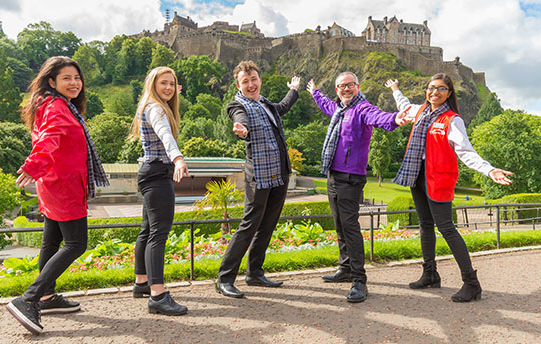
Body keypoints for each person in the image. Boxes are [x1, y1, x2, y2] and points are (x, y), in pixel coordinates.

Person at [386, 75, 512, 302]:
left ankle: (471, 283)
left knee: (446, 228)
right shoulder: (420, 111)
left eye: (441, 89)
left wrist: (489, 169)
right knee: (425, 225)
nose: (435, 92)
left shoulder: (452, 120)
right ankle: (430, 274)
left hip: (439, 178)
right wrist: (395, 89)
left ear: (449, 93)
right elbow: (404, 106)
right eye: (431, 88)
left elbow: (466, 152)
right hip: (417, 174)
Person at [7, 56, 109, 335]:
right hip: (63, 184)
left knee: (51, 242)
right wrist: (33, 164)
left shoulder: (52, 104)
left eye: (77, 78)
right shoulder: (56, 107)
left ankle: (46, 297)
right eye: (67, 78)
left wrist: (38, 167)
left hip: (55, 183)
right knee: (76, 243)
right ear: (52, 81)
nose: (74, 83)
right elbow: (49, 138)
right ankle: (28, 298)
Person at [306, 73, 412, 303]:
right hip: (333, 174)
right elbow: (325, 104)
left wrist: (395, 119)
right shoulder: (339, 109)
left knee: (350, 226)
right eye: (342, 86)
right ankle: (345, 268)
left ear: (358, 87)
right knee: (340, 225)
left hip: (351, 177)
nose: (346, 89)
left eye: (350, 85)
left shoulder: (362, 108)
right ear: (337, 90)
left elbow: (378, 116)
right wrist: (314, 91)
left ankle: (359, 280)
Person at [215, 60, 300, 298]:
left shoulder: (264, 103)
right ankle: (224, 278)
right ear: (238, 84)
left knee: (268, 223)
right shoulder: (237, 105)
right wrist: (240, 127)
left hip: (280, 172)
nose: (250, 85)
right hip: (258, 175)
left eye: (253, 80)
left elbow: (282, 107)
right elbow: (238, 116)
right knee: (248, 225)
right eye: (245, 81)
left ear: (259, 79)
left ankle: (254, 273)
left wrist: (294, 89)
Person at [129, 66, 189, 315]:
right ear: (152, 84)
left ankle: (142, 282)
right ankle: (157, 295)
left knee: (147, 231)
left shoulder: (149, 104)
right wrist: (178, 158)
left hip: (149, 172)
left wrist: (173, 93)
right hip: (158, 174)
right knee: (158, 235)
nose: (168, 88)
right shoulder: (156, 109)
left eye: (172, 84)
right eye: (163, 83)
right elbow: (165, 135)